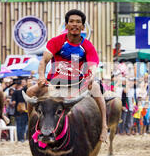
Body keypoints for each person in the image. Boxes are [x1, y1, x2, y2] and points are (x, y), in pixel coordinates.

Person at [26, 9, 108, 141]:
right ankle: (30, 124)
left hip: (78, 84)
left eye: (78, 22)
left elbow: (92, 66)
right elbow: (44, 61)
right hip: (55, 84)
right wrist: (41, 76)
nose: (75, 24)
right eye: (71, 21)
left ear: (82, 26)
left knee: (97, 88)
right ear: (66, 25)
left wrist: (91, 77)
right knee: (30, 91)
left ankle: (104, 126)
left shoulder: (87, 45)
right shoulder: (56, 42)